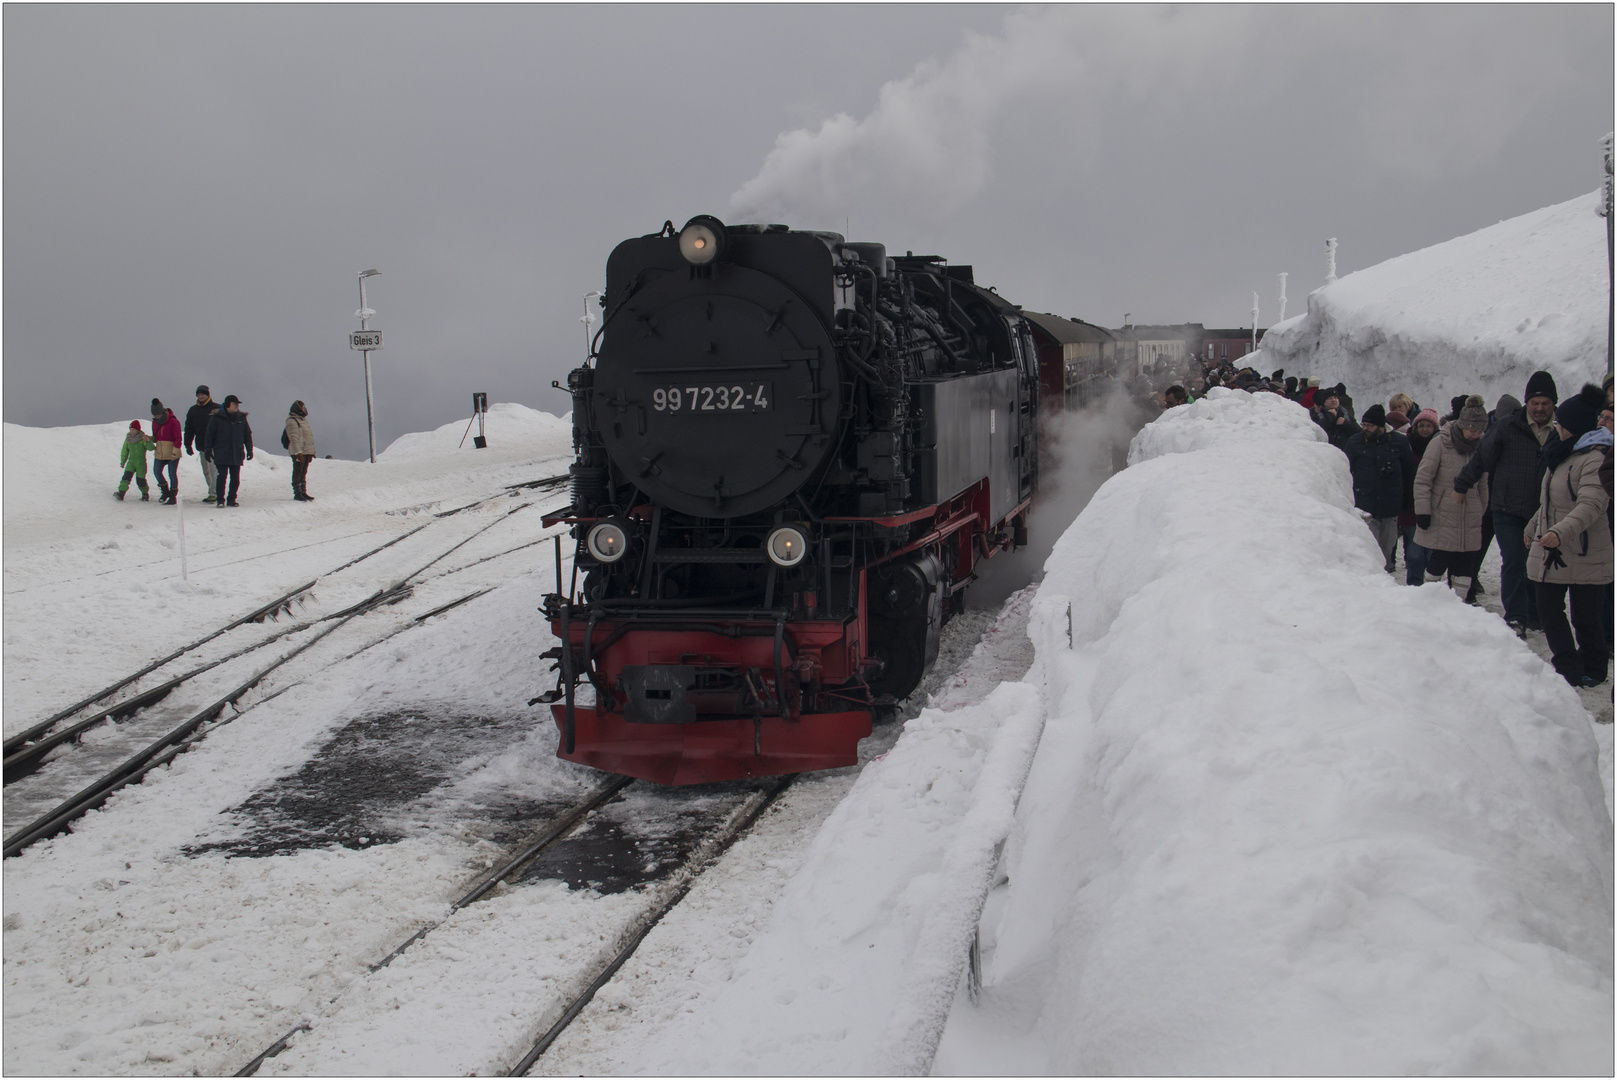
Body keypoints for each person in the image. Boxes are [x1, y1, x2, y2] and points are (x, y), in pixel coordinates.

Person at [1452, 371, 1560, 632]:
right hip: (1508, 508)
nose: (1540, 408)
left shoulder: (1561, 431)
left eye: (1545, 403)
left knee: (1539, 564)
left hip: (1545, 512)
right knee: (1514, 559)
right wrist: (1462, 484)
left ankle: (1536, 613)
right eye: (1535, 403)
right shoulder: (1507, 427)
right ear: (1527, 403)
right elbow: (1481, 459)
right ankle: (1516, 616)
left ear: (1553, 404)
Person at [1525, 384, 1612, 687]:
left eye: (1561, 422)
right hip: (1556, 547)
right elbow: (1552, 499)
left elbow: (1591, 505)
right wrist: (1534, 525)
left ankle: (1595, 667)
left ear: (1574, 427)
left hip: (1585, 550)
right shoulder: (1563, 452)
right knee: (1549, 610)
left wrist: (1558, 532)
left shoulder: (1596, 458)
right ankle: (1567, 665)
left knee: (1585, 618)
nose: (1556, 426)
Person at [1414, 396, 1490, 599]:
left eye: (1479, 430)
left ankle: (1460, 605)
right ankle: (1428, 601)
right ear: (1463, 425)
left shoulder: (1482, 446)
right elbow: (1423, 479)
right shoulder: (1440, 442)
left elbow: (1483, 483)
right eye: (1472, 430)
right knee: (1439, 560)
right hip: (1442, 514)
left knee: (1466, 565)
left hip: (1470, 514)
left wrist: (1480, 508)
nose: (1475, 434)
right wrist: (1423, 510)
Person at [1345, 403, 1416, 573]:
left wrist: (1408, 500)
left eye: (1370, 425)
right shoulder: (1355, 441)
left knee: (1386, 548)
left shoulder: (1399, 441)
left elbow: (1409, 472)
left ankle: (1384, 577)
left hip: (1390, 504)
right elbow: (1345, 468)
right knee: (1368, 548)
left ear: (1381, 426)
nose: (1366, 429)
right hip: (1364, 504)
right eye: (1364, 425)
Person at [1400, 408, 1442, 584]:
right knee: (1414, 551)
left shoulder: (1441, 446)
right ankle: (1414, 585)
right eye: (1421, 425)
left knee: (1430, 551)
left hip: (1435, 505)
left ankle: (1426, 585)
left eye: (1429, 426)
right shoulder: (1406, 446)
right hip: (1411, 504)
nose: (1425, 429)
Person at [203, 395, 253, 507]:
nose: (237, 406)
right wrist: (208, 450)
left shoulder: (241, 418)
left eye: (237, 404)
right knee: (222, 476)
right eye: (235, 404)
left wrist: (249, 450)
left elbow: (247, 435)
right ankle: (220, 500)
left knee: (235, 478)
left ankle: (231, 499)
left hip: (236, 452)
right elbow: (209, 434)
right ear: (228, 405)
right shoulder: (216, 418)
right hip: (221, 452)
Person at [184, 385, 221, 503]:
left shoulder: (217, 408)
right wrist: (187, 445)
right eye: (199, 394)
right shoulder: (193, 410)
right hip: (201, 445)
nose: (201, 396)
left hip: (215, 445)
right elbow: (189, 429)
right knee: (206, 470)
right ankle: (212, 490)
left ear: (208, 395)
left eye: (203, 394)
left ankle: (214, 493)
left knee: (213, 469)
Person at [150, 398, 182, 504]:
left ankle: (172, 496)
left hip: (172, 452)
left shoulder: (173, 421)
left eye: (157, 415)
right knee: (156, 472)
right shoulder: (155, 423)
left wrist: (175, 451)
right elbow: (156, 438)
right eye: (154, 415)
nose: (156, 417)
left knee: (172, 473)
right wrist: (149, 439)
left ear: (162, 412)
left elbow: (178, 438)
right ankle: (165, 492)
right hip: (160, 452)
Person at [284, 400, 316, 501]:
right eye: (302, 407)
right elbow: (294, 438)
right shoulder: (292, 421)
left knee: (303, 471)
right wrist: (298, 452)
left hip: (306, 450)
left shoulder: (303, 420)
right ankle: (297, 493)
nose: (304, 409)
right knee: (298, 471)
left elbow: (308, 437)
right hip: (298, 452)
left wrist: (311, 451)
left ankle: (303, 491)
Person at [115, 420, 153, 501]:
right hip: (131, 462)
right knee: (126, 477)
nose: (132, 432)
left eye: (134, 430)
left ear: (138, 430)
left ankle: (145, 494)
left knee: (140, 480)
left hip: (141, 463)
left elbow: (151, 448)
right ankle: (121, 493)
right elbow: (124, 451)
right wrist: (123, 461)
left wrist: (148, 441)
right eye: (131, 430)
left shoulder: (143, 439)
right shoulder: (128, 439)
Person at [1312, 386, 1359, 451]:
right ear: (1324, 401)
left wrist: (1346, 424)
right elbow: (1316, 431)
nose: (1333, 400)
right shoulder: (1317, 414)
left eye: (1335, 397)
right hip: (1324, 451)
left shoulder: (1344, 413)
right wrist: (1330, 416)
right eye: (1330, 398)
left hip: (1343, 452)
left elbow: (1358, 432)